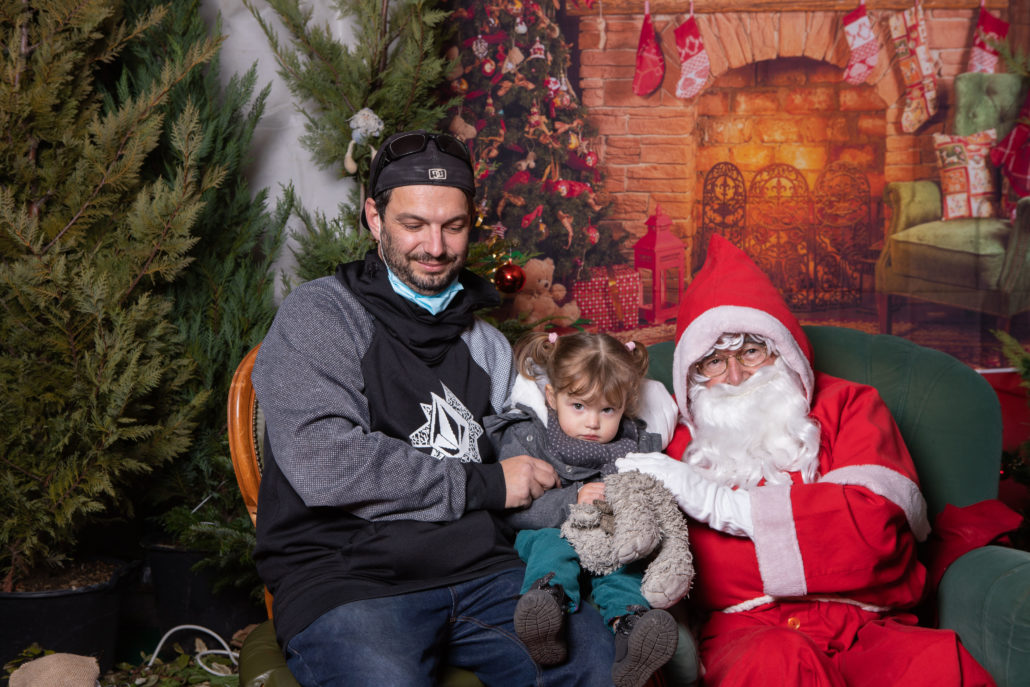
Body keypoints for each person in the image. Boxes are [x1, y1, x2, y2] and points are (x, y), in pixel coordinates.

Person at [250, 130, 614, 686]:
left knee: (597, 661)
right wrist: (485, 484)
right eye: (413, 224)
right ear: (375, 218)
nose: (436, 247)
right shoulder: (321, 316)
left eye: (453, 226)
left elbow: (531, 457)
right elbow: (325, 465)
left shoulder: (487, 345)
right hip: (348, 578)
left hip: (486, 571)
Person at [617, 234, 996, 686]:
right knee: (777, 664)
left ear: (783, 351)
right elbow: (711, 574)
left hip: (868, 625)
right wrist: (824, 527)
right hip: (748, 635)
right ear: (692, 374)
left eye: (751, 352)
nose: (735, 376)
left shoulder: (851, 406)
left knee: (935, 667)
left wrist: (722, 508)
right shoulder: (678, 442)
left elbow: (877, 536)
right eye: (713, 362)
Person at [486, 331, 679, 687]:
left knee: (625, 564)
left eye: (607, 409)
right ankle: (547, 604)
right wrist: (573, 499)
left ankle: (631, 628)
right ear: (551, 396)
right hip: (548, 532)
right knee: (551, 545)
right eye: (578, 406)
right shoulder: (528, 435)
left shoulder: (636, 445)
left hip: (607, 542)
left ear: (625, 404)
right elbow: (514, 510)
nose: (593, 422)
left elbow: (653, 501)